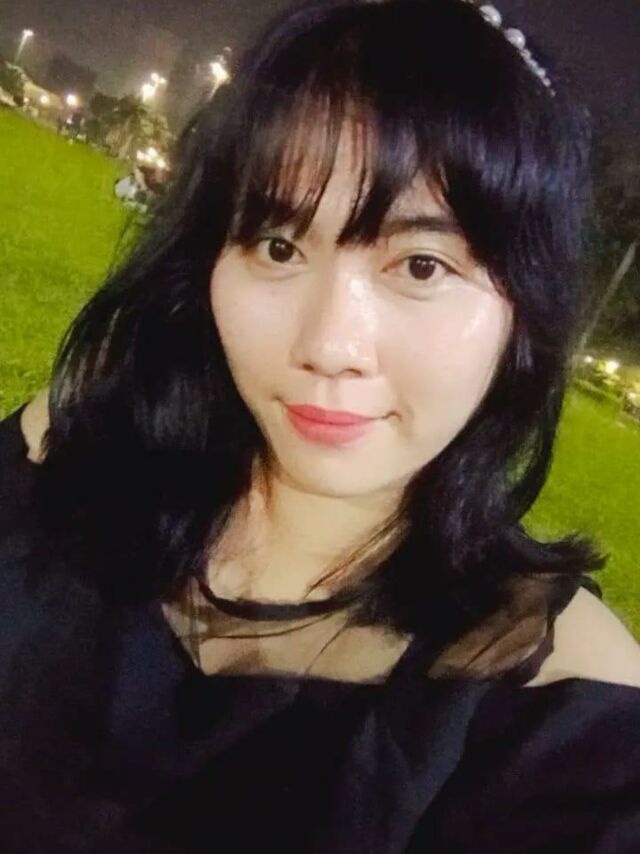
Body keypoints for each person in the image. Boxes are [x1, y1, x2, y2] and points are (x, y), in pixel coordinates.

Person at [1, 0, 639, 850]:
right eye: (278, 246)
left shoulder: (568, 709)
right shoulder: (67, 452)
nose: (329, 345)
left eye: (421, 265)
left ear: (525, 308)